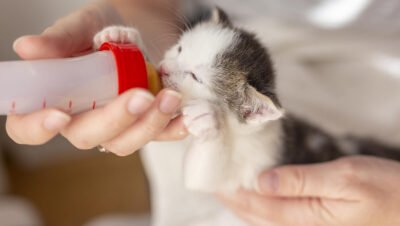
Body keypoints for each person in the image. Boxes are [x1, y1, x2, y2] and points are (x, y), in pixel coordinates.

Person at [5, 0, 400, 225]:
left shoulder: (255, 121)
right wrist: (126, 36)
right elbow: (153, 33)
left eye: (190, 72)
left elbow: (204, 178)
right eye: (179, 51)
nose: (168, 68)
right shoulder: (189, 65)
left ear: (250, 110)